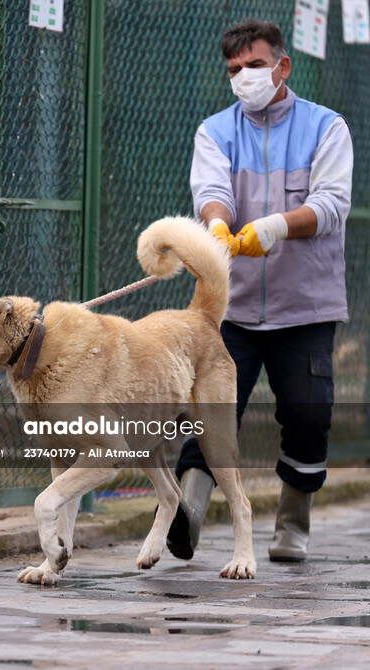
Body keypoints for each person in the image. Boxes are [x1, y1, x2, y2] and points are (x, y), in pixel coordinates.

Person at [168, 19, 353, 563]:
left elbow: (332, 204)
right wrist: (217, 225)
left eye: (254, 65)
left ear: (282, 66)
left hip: (306, 306)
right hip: (230, 307)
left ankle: (292, 522)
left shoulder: (326, 127)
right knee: (208, 409)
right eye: (234, 69)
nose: (243, 77)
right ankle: (189, 510)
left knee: (308, 413)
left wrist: (273, 227)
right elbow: (212, 190)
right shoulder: (214, 131)